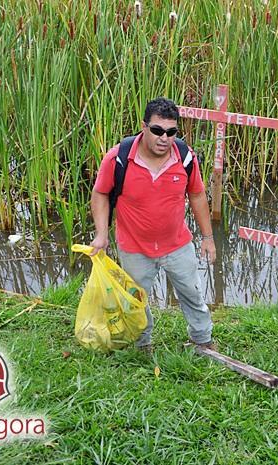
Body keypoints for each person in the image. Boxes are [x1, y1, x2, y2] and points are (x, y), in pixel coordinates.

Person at [89, 97, 216, 353]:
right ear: (144, 126)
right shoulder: (118, 159)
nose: (164, 138)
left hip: (178, 245)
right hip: (134, 248)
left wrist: (208, 237)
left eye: (171, 132)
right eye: (157, 130)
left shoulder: (186, 158)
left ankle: (203, 340)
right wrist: (102, 234)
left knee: (192, 294)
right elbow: (100, 193)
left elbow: (198, 195)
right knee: (136, 301)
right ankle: (142, 344)